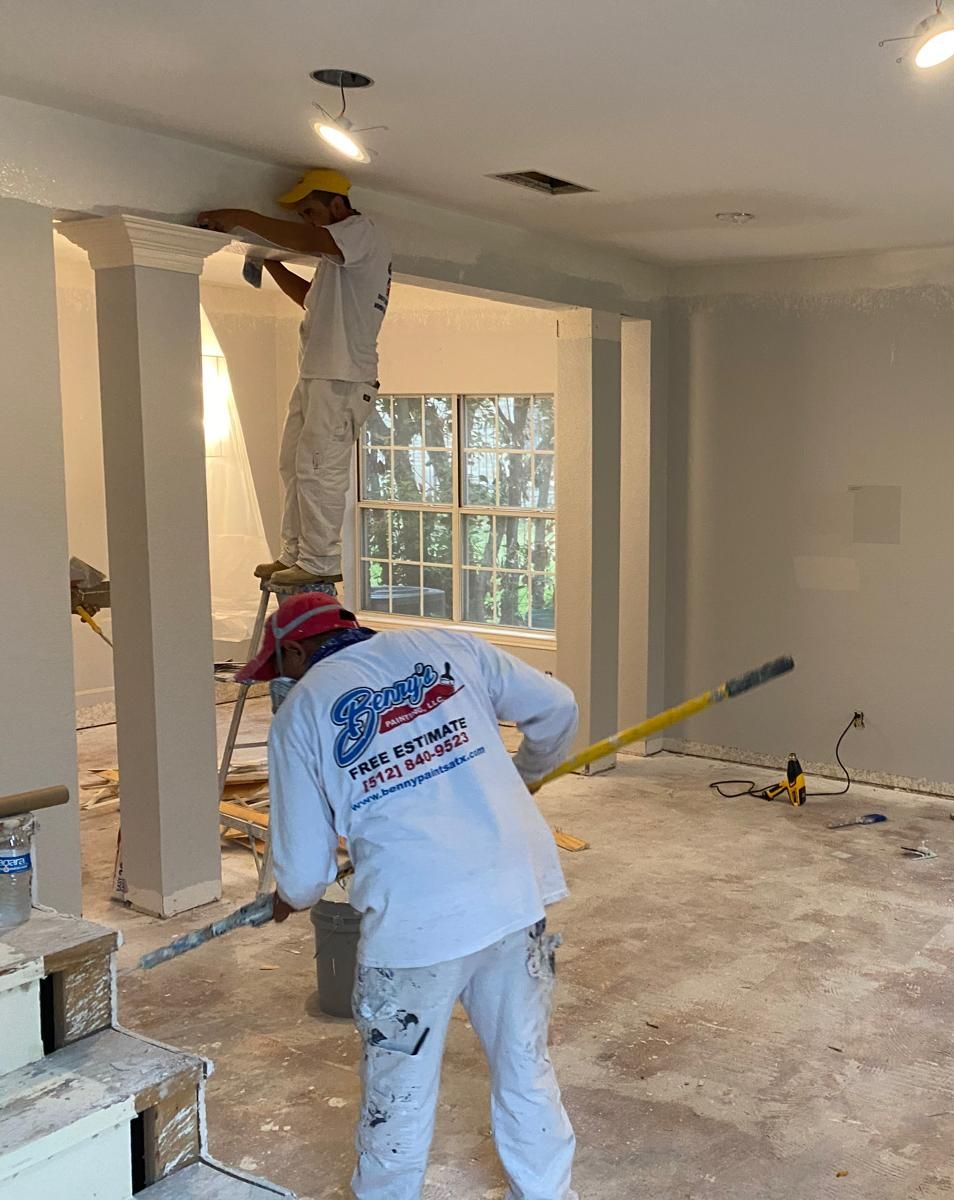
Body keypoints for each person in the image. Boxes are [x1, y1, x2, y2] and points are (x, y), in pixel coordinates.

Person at [237, 592, 580, 1199]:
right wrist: (523, 779)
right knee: (525, 1067)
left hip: (415, 926)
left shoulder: (300, 715)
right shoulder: (443, 645)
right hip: (513, 892)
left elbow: (302, 873)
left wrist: (289, 897)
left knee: (398, 1093)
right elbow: (558, 707)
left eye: (277, 669)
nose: (278, 682)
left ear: (294, 649)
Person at [198, 168, 392, 588]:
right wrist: (269, 266)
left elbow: (311, 241)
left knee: (320, 469)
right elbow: (310, 300)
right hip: (317, 376)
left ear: (338, 204)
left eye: (311, 210)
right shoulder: (337, 263)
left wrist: (241, 217)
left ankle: (320, 561)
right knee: (294, 465)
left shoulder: (361, 233)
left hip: (343, 379)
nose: (308, 221)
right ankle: (296, 553)